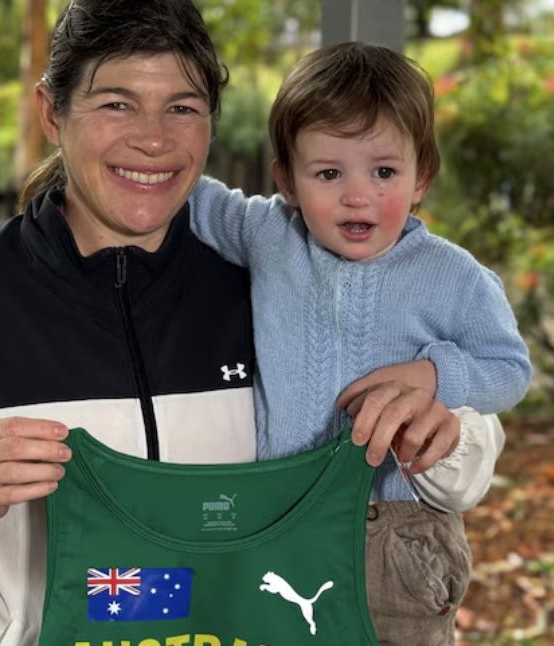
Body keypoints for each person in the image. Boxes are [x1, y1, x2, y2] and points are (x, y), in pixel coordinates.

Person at [0, 2, 503, 645]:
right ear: (51, 113)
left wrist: (443, 429)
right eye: (117, 103)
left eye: (182, 107)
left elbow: (460, 441)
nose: (153, 139)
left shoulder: (271, 277)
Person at [187, 42, 531, 644]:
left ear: (421, 177)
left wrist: (434, 376)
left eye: (384, 172)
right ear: (287, 182)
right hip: (277, 521)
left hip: (395, 534)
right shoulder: (269, 232)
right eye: (327, 173)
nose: (356, 195)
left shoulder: (455, 276)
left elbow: (510, 368)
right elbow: (190, 195)